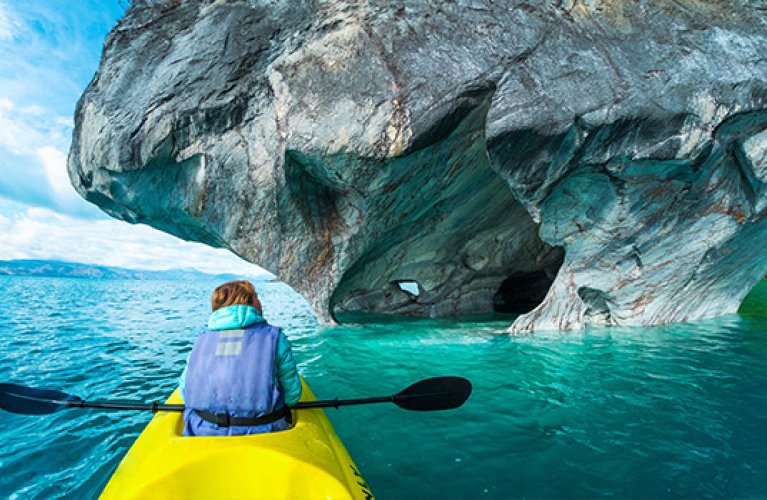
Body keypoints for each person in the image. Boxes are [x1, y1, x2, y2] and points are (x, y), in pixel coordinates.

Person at [179, 280, 302, 437]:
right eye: (257, 298)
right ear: (250, 302)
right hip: (265, 430)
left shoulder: (200, 341)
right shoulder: (276, 338)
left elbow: (185, 393)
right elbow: (292, 395)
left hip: (203, 430)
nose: (260, 303)